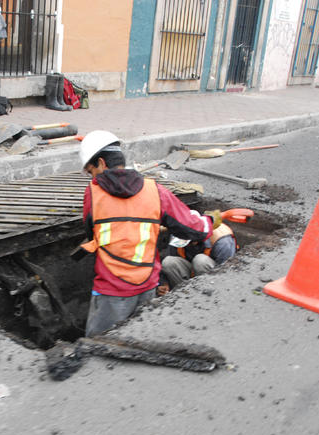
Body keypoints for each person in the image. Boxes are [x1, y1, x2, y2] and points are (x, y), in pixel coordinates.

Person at [77, 130, 222, 337]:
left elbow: (91, 234)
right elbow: (193, 228)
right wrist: (210, 221)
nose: (92, 178)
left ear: (101, 163)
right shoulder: (155, 192)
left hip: (111, 291)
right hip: (147, 285)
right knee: (140, 338)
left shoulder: (92, 193)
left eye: (91, 171)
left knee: (98, 348)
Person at [157, 218, 238, 295]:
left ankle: (204, 296)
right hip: (191, 272)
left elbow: (226, 275)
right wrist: (164, 283)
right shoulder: (178, 235)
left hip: (213, 279)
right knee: (168, 262)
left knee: (200, 261)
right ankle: (183, 295)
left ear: (194, 237)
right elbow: (166, 262)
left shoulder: (223, 242)